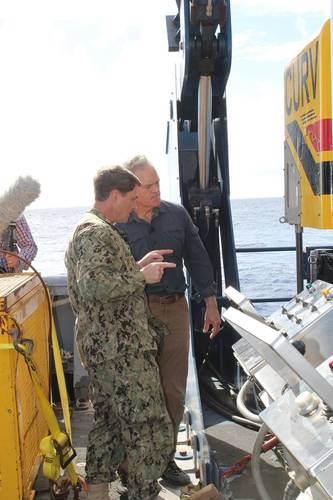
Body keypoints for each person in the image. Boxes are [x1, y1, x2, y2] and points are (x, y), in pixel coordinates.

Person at [65, 165, 175, 500]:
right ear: (114, 195)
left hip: (109, 349)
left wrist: (136, 266)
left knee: (110, 424)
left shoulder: (95, 229)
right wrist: (143, 277)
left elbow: (101, 281)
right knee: (148, 425)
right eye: (130, 199)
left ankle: (97, 492)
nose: (133, 206)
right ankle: (144, 493)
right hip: (120, 351)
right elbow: (95, 285)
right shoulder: (95, 233)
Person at [118, 155, 221, 486]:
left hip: (176, 309)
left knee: (172, 390)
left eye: (158, 183)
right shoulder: (116, 223)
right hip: (136, 312)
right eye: (148, 186)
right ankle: (134, 461)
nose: (155, 190)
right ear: (131, 189)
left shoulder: (176, 214)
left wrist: (210, 303)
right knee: (137, 390)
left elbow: (199, 258)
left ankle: (164, 461)